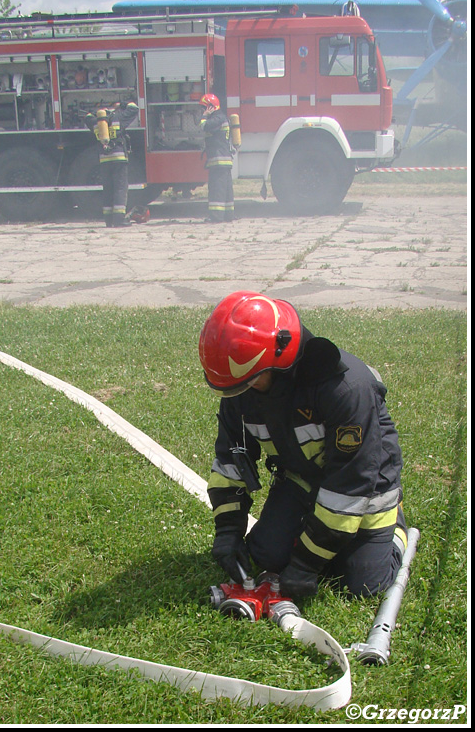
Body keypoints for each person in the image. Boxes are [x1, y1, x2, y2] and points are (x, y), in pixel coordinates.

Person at [198, 291, 408, 599]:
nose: (242, 394)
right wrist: (228, 532)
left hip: (367, 489)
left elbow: (350, 485)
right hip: (302, 481)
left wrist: (307, 564)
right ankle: (318, 534)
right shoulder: (241, 388)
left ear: (280, 361)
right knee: (267, 557)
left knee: (362, 584)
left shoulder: (346, 389)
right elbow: (231, 460)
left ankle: (398, 531)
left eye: (249, 382)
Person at [85, 95, 139, 228]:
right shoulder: (118, 118)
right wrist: (121, 104)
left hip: (104, 159)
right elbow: (134, 108)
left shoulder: (96, 123)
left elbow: (87, 117)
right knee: (120, 189)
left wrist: (98, 110)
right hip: (119, 159)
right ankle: (119, 219)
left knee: (108, 189)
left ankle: (108, 220)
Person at [198, 93, 234, 223]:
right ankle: (228, 215)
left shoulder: (217, 118)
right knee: (226, 189)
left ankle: (216, 217)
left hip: (219, 160)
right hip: (223, 160)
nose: (202, 111)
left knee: (216, 189)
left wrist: (204, 116)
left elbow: (203, 126)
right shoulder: (221, 117)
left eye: (204, 107)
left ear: (211, 107)